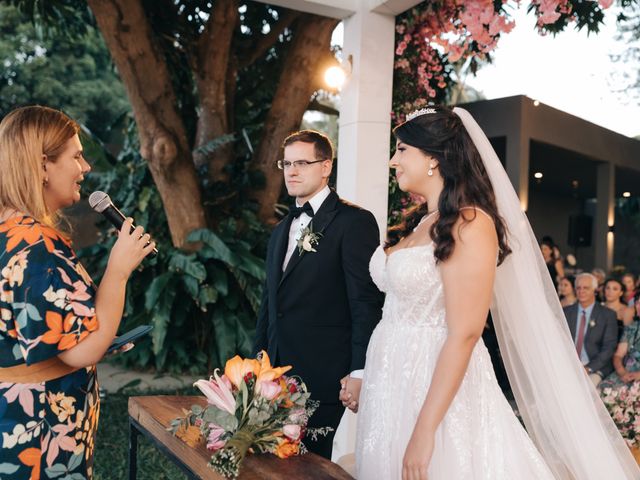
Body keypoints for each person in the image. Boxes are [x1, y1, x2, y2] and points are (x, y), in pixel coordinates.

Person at [347, 106, 638, 479]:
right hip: (393, 382)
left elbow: (465, 332)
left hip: (434, 387)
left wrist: (424, 430)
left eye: (402, 150)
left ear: (434, 158)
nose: (393, 161)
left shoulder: (470, 224)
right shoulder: (421, 223)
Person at [0, 106, 155, 478]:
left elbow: (35, 329)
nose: (85, 167)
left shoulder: (10, 231)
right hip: (40, 431)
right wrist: (118, 270)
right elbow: (81, 351)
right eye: (76, 155)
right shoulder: (38, 244)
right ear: (42, 166)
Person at [253, 129, 383, 459]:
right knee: (272, 464)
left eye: (302, 163)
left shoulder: (354, 222)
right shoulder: (281, 229)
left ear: (326, 167)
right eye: (287, 163)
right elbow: (270, 304)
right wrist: (258, 364)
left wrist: (359, 371)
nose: (292, 171)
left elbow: (364, 302)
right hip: (275, 374)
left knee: (311, 466)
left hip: (324, 377)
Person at [563, 273, 618, 386]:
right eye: (578, 288)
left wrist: (588, 368)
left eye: (586, 288)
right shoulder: (566, 312)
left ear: (595, 290)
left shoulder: (607, 315)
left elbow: (609, 347)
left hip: (594, 367)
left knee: (587, 389)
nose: (581, 291)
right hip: (568, 364)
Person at [600, 291, 640, 392]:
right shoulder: (632, 327)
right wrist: (621, 371)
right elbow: (618, 355)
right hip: (627, 371)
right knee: (603, 390)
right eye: (637, 302)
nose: (639, 306)